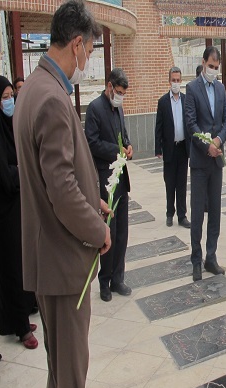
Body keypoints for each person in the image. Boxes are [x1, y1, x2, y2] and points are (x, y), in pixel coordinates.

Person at [13, 1, 111, 388]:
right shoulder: (52, 98)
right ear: (76, 44)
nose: (87, 60)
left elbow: (55, 176)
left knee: (60, 372)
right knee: (70, 376)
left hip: (48, 259)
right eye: (89, 50)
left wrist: (92, 199)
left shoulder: (34, 88)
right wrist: (98, 230)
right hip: (63, 260)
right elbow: (62, 190)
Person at [85, 68, 133, 302]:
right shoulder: (95, 108)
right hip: (105, 180)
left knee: (122, 233)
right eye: (119, 92)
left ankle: (118, 279)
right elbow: (92, 142)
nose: (120, 96)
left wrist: (129, 146)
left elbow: (123, 135)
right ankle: (104, 281)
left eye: (123, 93)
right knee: (109, 232)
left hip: (121, 179)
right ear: (109, 86)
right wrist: (117, 150)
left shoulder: (119, 108)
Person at [185, 46, 226, 281]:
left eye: (216, 67)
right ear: (203, 63)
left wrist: (219, 140)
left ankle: (211, 257)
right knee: (198, 213)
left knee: (215, 211)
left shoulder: (221, 88)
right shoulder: (192, 88)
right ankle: (196, 259)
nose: (213, 70)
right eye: (210, 66)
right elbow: (191, 123)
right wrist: (207, 145)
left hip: (216, 161)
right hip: (200, 162)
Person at [0, 75, 37, 349]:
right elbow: (4, 175)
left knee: (19, 263)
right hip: (4, 211)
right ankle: (21, 328)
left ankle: (16, 318)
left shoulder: (9, 126)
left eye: (11, 95)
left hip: (16, 206)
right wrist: (22, 171)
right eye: (4, 97)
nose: (10, 101)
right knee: (11, 268)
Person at [155, 66, 191, 229]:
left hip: (183, 148)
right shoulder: (163, 102)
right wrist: (158, 148)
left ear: (181, 81)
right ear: (169, 81)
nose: (176, 83)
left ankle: (182, 216)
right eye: (173, 80)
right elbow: (159, 126)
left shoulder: (186, 100)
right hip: (170, 148)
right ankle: (170, 213)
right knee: (170, 183)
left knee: (181, 184)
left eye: (178, 80)